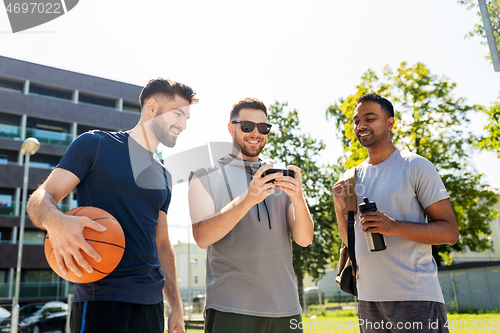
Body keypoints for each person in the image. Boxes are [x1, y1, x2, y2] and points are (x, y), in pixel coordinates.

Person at [27, 78, 198, 333]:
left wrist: (175, 307)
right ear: (152, 107)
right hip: (102, 298)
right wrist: (56, 220)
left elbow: (161, 242)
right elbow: (42, 196)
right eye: (178, 114)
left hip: (151, 305)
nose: (184, 125)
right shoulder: (95, 145)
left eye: (187, 118)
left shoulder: (164, 175)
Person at [332, 93, 459, 333]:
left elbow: (450, 232)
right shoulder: (350, 179)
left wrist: (394, 227)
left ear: (390, 123)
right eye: (357, 121)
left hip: (415, 298)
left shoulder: (416, 166)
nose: (361, 126)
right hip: (368, 300)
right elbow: (351, 241)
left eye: (370, 118)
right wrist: (340, 209)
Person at [188, 98, 314, 333]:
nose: (256, 133)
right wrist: (248, 199)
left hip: (285, 309)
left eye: (263, 128)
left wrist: (298, 198)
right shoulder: (205, 175)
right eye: (247, 126)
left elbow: (305, 239)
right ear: (230, 128)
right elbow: (202, 237)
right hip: (230, 308)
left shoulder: (278, 177)